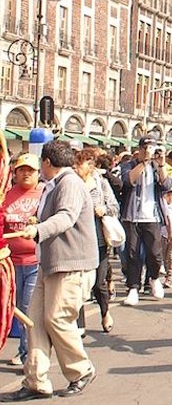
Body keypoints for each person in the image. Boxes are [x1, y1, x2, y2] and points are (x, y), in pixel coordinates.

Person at [0, 141, 98, 401]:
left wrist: (38, 229)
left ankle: (81, 370)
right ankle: (36, 381)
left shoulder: (69, 183)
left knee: (56, 319)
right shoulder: (52, 185)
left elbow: (66, 216)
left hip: (70, 265)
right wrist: (37, 222)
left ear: (46, 162)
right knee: (35, 323)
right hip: (49, 264)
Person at [119, 136, 172, 306]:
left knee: (155, 252)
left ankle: (154, 278)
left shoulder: (157, 167)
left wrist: (162, 163)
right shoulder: (130, 165)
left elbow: (166, 185)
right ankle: (133, 287)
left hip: (152, 216)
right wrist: (143, 162)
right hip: (132, 215)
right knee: (132, 253)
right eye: (147, 148)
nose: (150, 151)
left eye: (153, 148)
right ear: (141, 149)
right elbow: (128, 181)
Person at [0, 154, 43, 366]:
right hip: (9, 263)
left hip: (35, 262)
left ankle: (28, 356)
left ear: (38, 173)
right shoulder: (6, 195)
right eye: (22, 170)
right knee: (11, 308)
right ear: (15, 172)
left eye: (31, 170)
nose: (26, 174)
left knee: (27, 308)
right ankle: (25, 350)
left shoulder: (44, 194)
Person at [73, 147, 119, 334]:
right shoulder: (71, 184)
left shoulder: (101, 184)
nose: (76, 168)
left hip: (98, 240)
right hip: (76, 240)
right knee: (79, 285)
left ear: (91, 166)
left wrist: (103, 209)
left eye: (80, 164)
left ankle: (105, 313)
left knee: (99, 283)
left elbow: (115, 207)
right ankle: (80, 324)